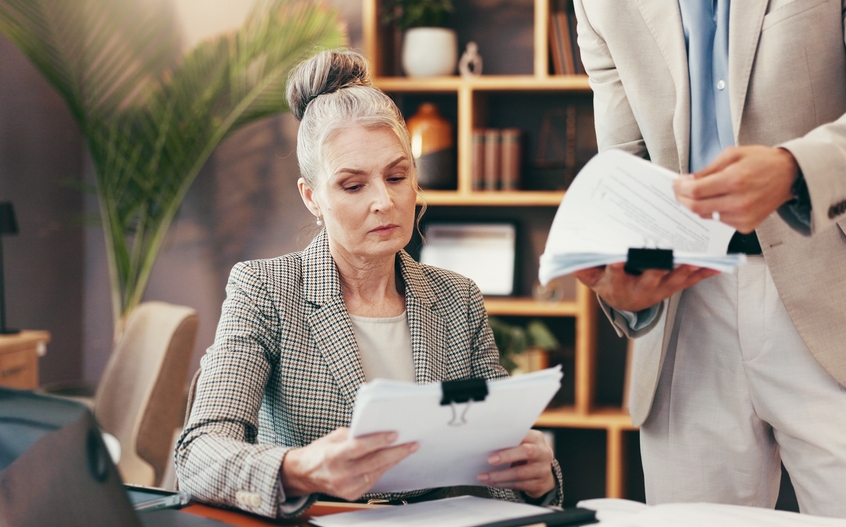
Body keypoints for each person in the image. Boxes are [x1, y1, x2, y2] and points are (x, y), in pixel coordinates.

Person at [571, 1, 846, 526]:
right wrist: (622, 283)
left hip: (844, 291)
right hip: (685, 318)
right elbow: (623, 159)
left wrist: (796, 171)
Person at [175, 50, 562, 519]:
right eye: (353, 186)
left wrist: (537, 483)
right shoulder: (266, 291)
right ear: (312, 197)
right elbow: (197, 455)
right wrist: (300, 470)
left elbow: (499, 471)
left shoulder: (457, 300)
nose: (384, 201)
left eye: (397, 176)